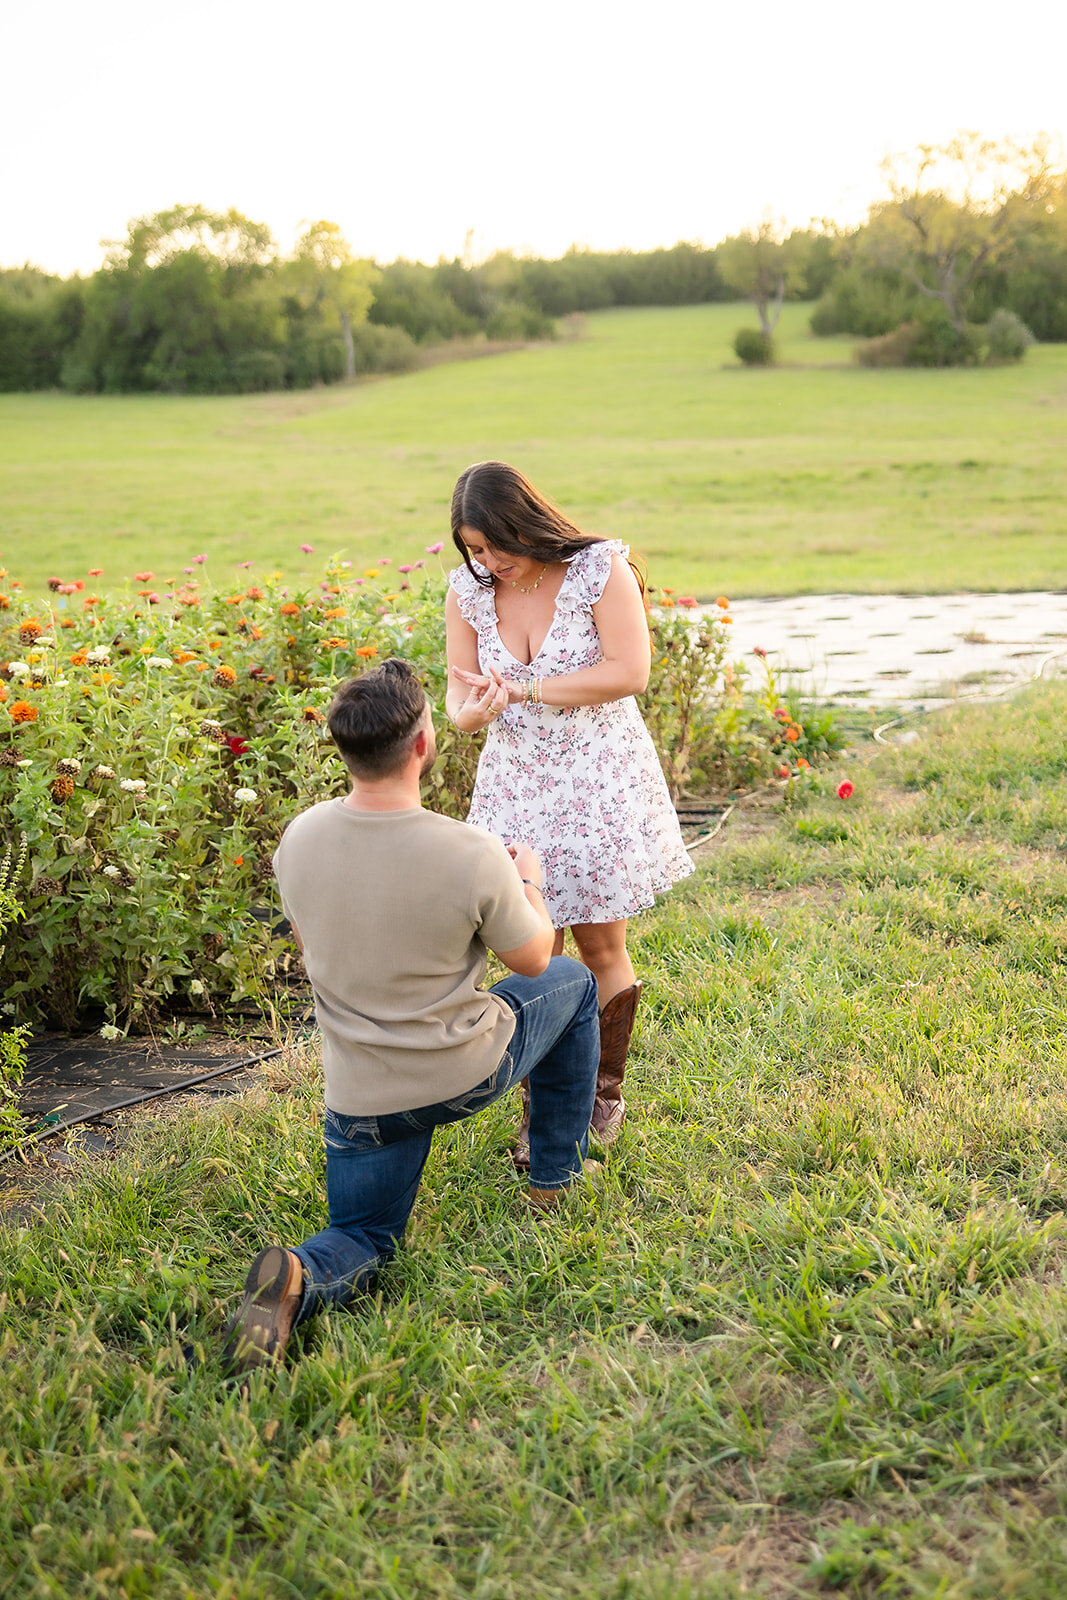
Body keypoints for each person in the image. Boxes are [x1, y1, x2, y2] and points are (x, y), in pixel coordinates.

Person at [223, 657, 600, 1373]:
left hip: (361, 1098)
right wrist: (528, 881)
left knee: (365, 1238)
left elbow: (311, 941)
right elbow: (532, 959)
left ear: (344, 748)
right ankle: (554, 1178)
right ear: (422, 744)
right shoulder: (470, 851)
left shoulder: (299, 837)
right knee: (574, 982)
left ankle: (298, 1277)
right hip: (461, 1072)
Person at [444, 461, 693, 1167]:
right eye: (474, 550)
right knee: (530, 953)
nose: (487, 562)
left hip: (595, 778)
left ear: (524, 524)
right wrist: (474, 712)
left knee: (600, 946)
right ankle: (545, 1107)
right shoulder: (467, 592)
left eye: (494, 545)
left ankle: (600, 1096)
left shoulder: (597, 571)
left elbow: (629, 671)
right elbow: (458, 701)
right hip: (515, 785)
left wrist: (525, 691)